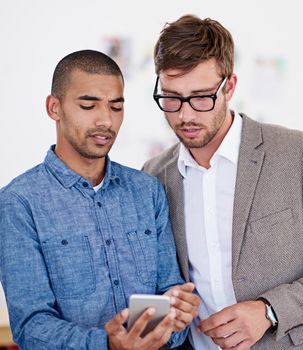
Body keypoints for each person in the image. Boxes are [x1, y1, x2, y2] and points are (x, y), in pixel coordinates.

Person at [143, 14, 303, 350]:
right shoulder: (154, 175)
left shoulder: (300, 153)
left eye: (201, 97)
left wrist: (270, 310)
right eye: (171, 97)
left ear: (230, 86)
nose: (185, 115)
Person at [0, 49, 200, 350]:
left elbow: (169, 291)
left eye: (116, 107)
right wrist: (106, 344)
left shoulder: (148, 191)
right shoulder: (19, 203)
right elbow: (31, 325)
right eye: (88, 105)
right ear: (54, 107)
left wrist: (177, 315)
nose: (105, 120)